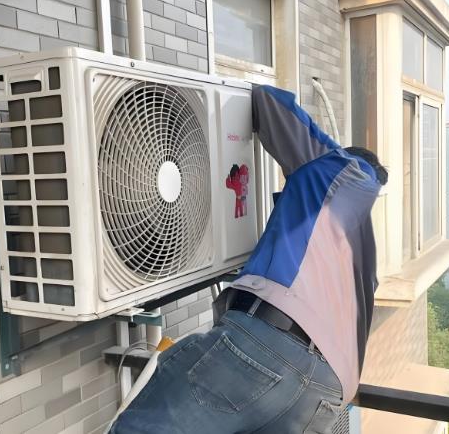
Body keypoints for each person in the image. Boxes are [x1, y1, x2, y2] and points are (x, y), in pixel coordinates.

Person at [109, 84, 388, 434]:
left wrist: (330, 151)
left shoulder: (338, 168)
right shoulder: (360, 246)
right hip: (329, 393)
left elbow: (268, 100)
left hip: (270, 347)